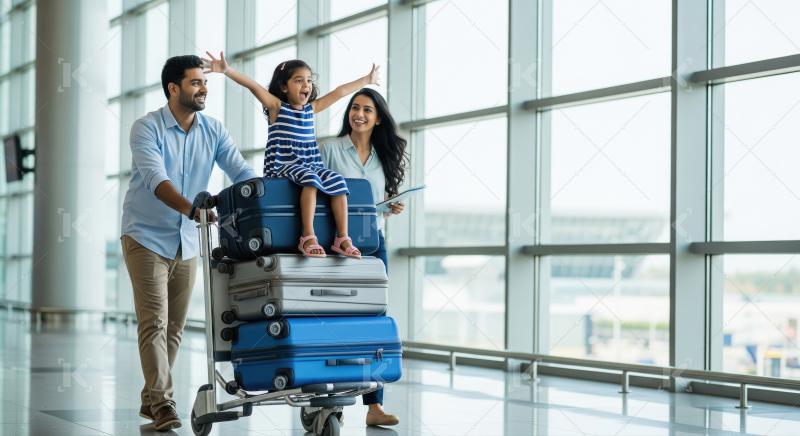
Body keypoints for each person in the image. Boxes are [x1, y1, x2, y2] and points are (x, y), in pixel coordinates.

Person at [120, 55, 257, 431]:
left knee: (176, 328)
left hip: (186, 241)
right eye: (196, 82)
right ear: (173, 88)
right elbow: (156, 180)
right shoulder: (146, 128)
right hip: (145, 235)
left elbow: (239, 169)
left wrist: (262, 192)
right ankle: (164, 403)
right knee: (155, 323)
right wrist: (192, 209)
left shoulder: (213, 130)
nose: (204, 89)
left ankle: (151, 400)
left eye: (205, 82)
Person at [203, 52, 380, 259]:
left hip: (310, 162)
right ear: (284, 87)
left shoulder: (310, 109)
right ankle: (307, 235)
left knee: (338, 182)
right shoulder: (277, 108)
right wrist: (227, 70)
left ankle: (342, 238)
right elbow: (253, 86)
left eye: (309, 80)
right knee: (311, 180)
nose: (306, 85)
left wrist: (367, 80)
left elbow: (340, 92)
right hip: (283, 164)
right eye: (299, 80)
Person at [320, 87, 409, 427]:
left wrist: (390, 206)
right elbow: (315, 193)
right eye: (355, 108)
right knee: (335, 319)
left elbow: (373, 206)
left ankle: (374, 406)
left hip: (373, 244)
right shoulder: (329, 148)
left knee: (375, 320)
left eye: (367, 110)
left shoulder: (382, 157)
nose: (359, 114)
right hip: (335, 246)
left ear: (378, 118)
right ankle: (330, 400)